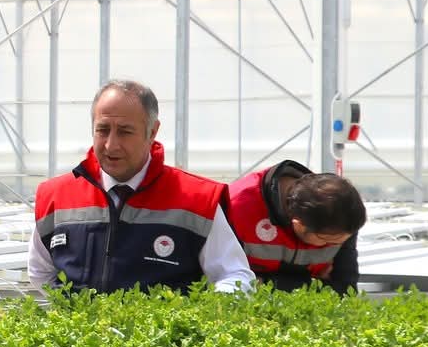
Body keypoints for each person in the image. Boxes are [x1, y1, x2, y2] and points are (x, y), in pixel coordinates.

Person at [30, 80, 254, 294]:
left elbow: (234, 275)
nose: (111, 145)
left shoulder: (198, 200)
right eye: (103, 130)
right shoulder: (56, 196)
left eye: (125, 132)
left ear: (152, 132)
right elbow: (41, 272)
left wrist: (197, 315)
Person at [226, 161, 366, 293]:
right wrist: (314, 284)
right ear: (299, 225)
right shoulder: (234, 208)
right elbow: (226, 281)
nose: (335, 246)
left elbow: (345, 290)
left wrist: (265, 281)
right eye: (328, 241)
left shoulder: (342, 218)